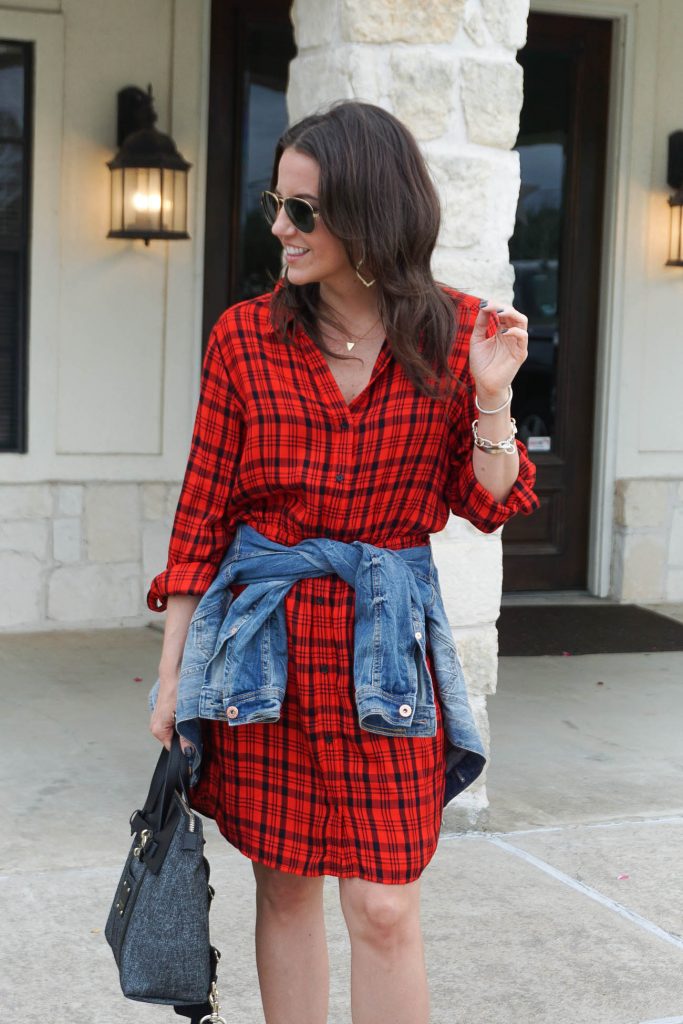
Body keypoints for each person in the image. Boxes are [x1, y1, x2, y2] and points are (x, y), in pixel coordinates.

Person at [148, 100, 539, 1024]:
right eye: (275, 204)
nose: (280, 229)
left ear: (370, 212)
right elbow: (200, 515)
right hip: (264, 653)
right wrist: (173, 677)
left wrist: (490, 398)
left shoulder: (458, 332)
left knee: (383, 901)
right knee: (283, 887)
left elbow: (489, 501)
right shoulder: (245, 338)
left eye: (304, 212)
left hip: (385, 649)